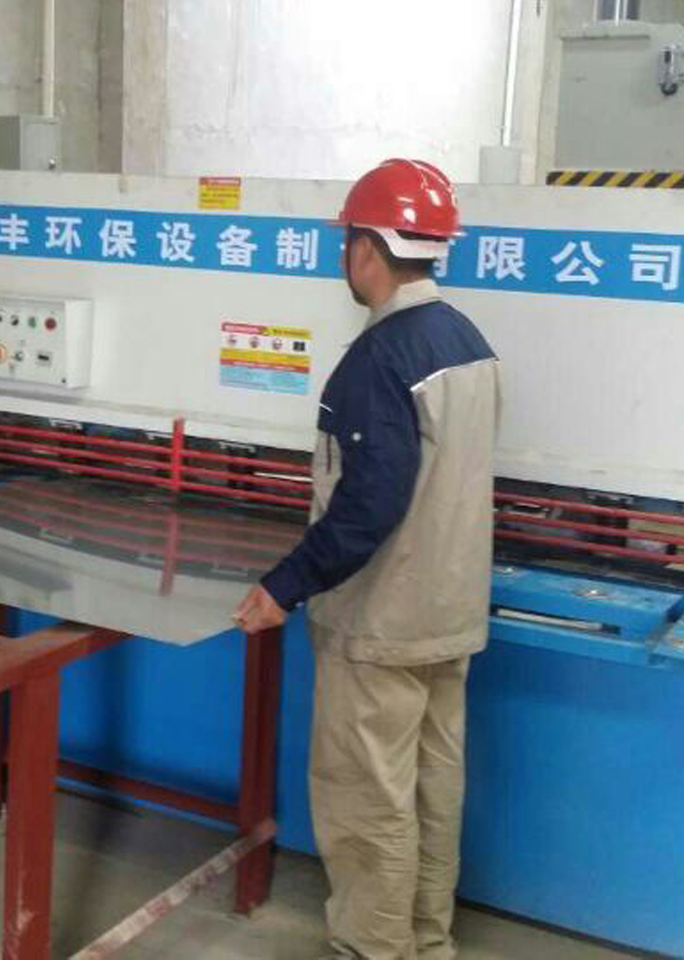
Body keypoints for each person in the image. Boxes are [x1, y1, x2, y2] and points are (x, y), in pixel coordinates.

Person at [234, 158, 500, 959]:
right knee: (431, 791)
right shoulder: (469, 343)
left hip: (380, 625)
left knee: (367, 806)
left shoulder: (380, 358)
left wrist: (283, 586)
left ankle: (373, 951)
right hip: (448, 616)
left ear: (367, 249)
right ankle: (427, 943)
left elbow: (368, 505)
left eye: (347, 242)